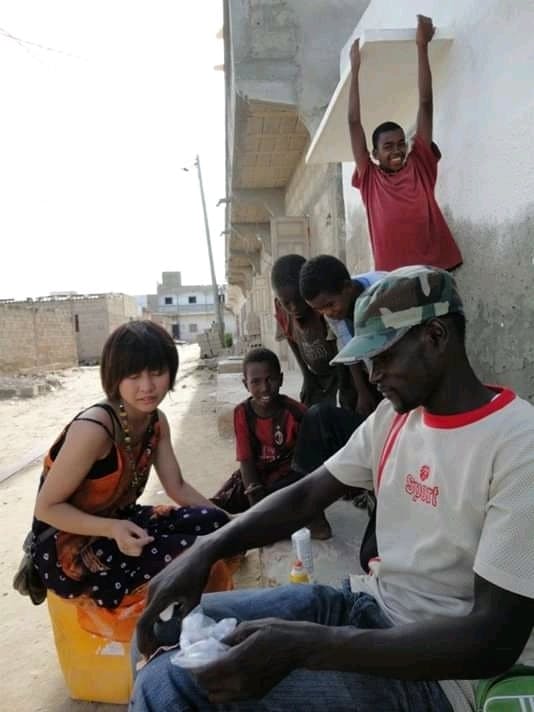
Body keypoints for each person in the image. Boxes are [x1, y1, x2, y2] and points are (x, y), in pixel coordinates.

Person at [131, 266, 534, 712]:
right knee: (165, 625)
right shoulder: (394, 418)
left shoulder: (519, 447)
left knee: (168, 686)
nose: (373, 375)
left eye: (384, 357)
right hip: (368, 605)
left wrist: (308, 646)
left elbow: (493, 639)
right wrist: (207, 549)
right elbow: (308, 494)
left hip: (438, 673)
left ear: (435, 337)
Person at [30, 320, 229, 612]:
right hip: (70, 548)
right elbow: (46, 508)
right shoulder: (94, 429)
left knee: (216, 525)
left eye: (157, 373)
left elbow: (176, 486)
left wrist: (232, 520)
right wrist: (112, 529)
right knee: (191, 555)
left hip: (122, 522)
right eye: (133, 376)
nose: (147, 387)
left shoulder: (156, 421)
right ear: (114, 378)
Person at [348, 15, 463, 272]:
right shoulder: (370, 179)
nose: (397, 150)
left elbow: (425, 103)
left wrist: (422, 47)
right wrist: (355, 71)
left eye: (401, 143)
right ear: (374, 154)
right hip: (394, 276)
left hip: (437, 267)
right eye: (388, 147)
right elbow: (354, 122)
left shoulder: (420, 163)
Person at [299, 254, 385, 419]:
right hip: (373, 368)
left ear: (348, 287)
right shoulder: (334, 308)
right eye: (319, 309)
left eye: (329, 305)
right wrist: (362, 391)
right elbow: (348, 346)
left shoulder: (383, 292)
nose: (327, 313)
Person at [271, 253, 355, 409]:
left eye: (299, 299)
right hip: (317, 375)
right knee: (310, 412)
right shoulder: (282, 310)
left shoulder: (322, 309)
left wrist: (344, 386)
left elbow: (342, 346)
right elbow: (291, 339)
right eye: (287, 303)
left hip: (342, 370)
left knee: (347, 407)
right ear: (278, 301)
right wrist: (306, 375)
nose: (294, 307)